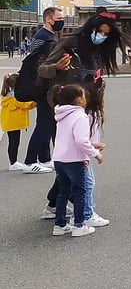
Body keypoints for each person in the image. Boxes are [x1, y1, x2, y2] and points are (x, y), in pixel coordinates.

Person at [38, 11, 123, 222]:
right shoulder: (70, 43)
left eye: (106, 33)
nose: (101, 36)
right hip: (64, 109)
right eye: (99, 31)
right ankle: (85, 212)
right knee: (78, 160)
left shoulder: (99, 49)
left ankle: (53, 204)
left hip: (85, 108)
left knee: (70, 159)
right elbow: (42, 69)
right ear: (91, 27)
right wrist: (56, 68)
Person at [50, 84, 102, 238]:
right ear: (79, 100)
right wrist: (94, 153)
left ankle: (60, 225)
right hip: (74, 160)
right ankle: (79, 225)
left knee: (63, 191)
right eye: (84, 97)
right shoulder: (80, 116)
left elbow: (68, 139)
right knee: (80, 191)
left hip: (60, 158)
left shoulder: (61, 115)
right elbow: (81, 141)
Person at [22, 6, 65, 172]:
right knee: (43, 123)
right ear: (49, 19)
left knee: (47, 122)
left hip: (42, 85)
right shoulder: (45, 39)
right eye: (59, 18)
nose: (61, 21)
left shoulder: (46, 36)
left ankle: (45, 157)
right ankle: (30, 161)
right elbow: (39, 63)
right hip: (43, 86)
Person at [3, 73, 35, 171]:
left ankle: (12, 161)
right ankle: (13, 162)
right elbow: (25, 104)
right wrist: (35, 102)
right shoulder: (15, 96)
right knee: (14, 143)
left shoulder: (8, 94)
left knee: (13, 142)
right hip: (14, 123)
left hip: (10, 122)